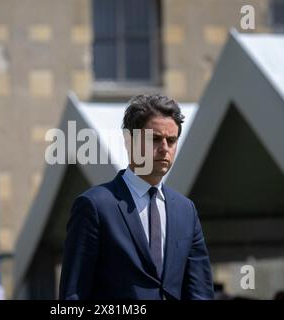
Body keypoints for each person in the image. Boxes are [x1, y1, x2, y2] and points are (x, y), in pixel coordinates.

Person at [59, 94, 214, 300]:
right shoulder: (94, 206)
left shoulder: (186, 210)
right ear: (128, 141)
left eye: (171, 140)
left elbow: (200, 293)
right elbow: (73, 295)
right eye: (155, 139)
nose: (165, 149)